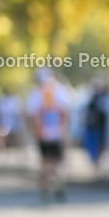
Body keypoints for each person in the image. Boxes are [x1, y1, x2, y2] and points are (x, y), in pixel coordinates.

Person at [27, 70, 70, 201]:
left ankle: (45, 190)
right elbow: (66, 113)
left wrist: (33, 132)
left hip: (43, 134)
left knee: (44, 162)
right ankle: (58, 187)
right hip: (57, 133)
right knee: (57, 162)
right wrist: (65, 131)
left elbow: (30, 115)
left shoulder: (36, 94)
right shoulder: (60, 91)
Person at [83, 78, 109, 174]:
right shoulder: (94, 98)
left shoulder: (105, 97)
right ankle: (96, 164)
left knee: (101, 146)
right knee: (95, 146)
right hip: (95, 127)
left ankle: (99, 164)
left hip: (101, 127)